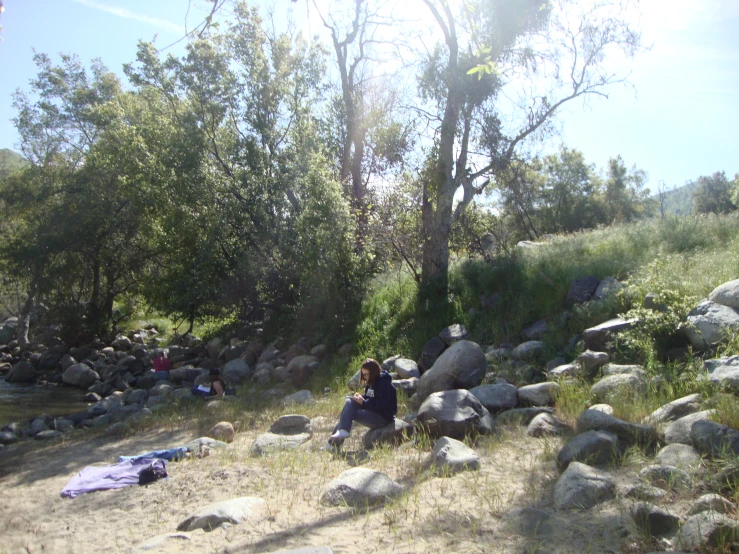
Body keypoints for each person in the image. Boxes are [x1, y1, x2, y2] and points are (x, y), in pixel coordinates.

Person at [327, 358, 397, 448]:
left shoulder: (384, 384)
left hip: (383, 417)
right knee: (350, 402)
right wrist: (361, 397)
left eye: (366, 374)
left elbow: (380, 405)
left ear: (373, 373)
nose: (364, 377)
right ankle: (341, 433)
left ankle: (333, 444)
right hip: (373, 412)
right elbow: (370, 397)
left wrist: (363, 402)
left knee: (350, 413)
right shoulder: (371, 383)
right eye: (363, 374)